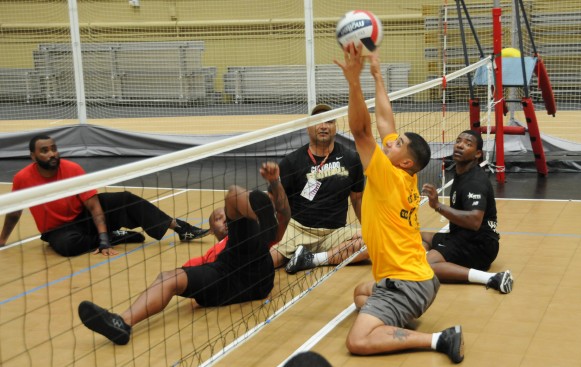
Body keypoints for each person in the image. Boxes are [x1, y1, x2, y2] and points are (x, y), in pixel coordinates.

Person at [334, 44, 463, 363]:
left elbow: (361, 131)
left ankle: (439, 338)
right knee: (361, 294)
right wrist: (378, 76)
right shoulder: (403, 173)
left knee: (357, 342)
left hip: (408, 284)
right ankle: (394, 314)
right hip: (420, 279)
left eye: (398, 145)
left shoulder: (386, 174)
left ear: (405, 162)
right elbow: (385, 124)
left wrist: (354, 81)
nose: (390, 143)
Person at [77, 162, 290, 345]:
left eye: (225, 216)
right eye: (218, 219)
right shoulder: (206, 257)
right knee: (167, 278)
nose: (223, 219)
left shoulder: (248, 233)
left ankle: (263, 215)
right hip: (225, 279)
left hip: (256, 270)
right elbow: (184, 280)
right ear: (213, 231)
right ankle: (122, 323)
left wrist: (274, 183)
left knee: (235, 193)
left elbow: (285, 217)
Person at [0, 135, 209, 257]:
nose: (52, 154)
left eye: (54, 149)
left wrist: (102, 241)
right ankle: (115, 235)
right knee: (67, 247)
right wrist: (2, 239)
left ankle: (181, 228)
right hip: (57, 230)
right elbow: (14, 212)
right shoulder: (22, 178)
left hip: (84, 216)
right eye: (44, 151)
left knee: (126, 199)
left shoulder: (72, 169)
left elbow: (94, 207)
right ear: (33, 156)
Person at [271, 103, 367, 274]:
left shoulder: (351, 159)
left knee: (374, 242)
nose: (323, 126)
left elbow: (357, 199)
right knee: (267, 261)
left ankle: (313, 259)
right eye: (318, 121)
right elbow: (278, 204)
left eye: (329, 121)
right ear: (308, 127)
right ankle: (316, 255)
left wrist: (370, 228)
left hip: (334, 233)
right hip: (297, 229)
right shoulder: (291, 162)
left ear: (335, 128)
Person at [421, 130, 513, 294]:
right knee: (417, 236)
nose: (460, 145)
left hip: (479, 246)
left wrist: (437, 206)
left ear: (478, 154)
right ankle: (412, 262)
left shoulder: (474, 182)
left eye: (468, 144)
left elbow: (474, 221)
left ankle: (491, 278)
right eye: (458, 141)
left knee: (427, 266)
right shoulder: (462, 172)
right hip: (461, 237)